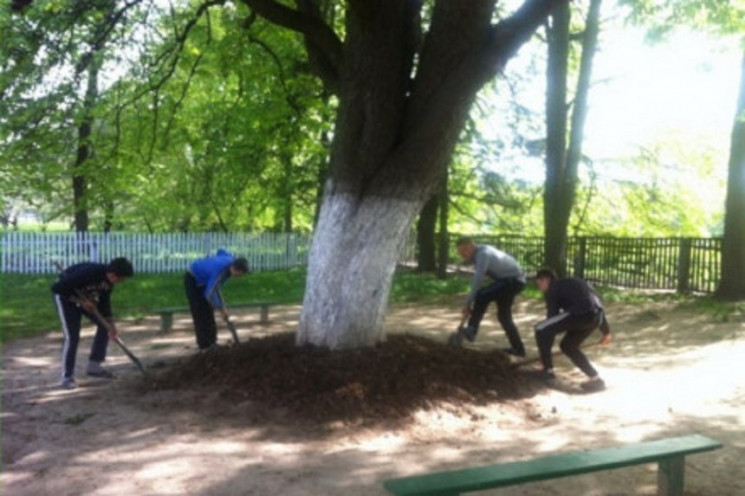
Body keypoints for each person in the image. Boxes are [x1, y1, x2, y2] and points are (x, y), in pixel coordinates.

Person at [52, 257, 135, 389]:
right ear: (113, 275)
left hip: (86, 298)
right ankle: (67, 377)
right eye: (122, 278)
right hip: (65, 298)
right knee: (72, 336)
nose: (122, 281)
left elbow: (104, 304)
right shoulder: (89, 272)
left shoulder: (108, 283)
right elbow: (57, 288)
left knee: (104, 327)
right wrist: (80, 302)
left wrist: (112, 326)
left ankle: (94, 366)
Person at [533, 267, 612, 392]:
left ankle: (548, 372)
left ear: (546, 280)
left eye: (539, 283)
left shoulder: (554, 288)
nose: (539, 287)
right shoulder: (573, 283)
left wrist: (547, 337)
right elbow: (596, 305)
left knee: (540, 329)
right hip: (595, 318)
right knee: (567, 346)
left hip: (580, 313)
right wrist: (606, 332)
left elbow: (551, 317)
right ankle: (596, 379)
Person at [449, 237, 527, 356]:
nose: (462, 255)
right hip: (510, 282)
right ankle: (518, 349)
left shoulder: (483, 254)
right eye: (460, 253)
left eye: (464, 251)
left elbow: (478, 279)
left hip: (513, 281)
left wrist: (468, 303)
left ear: (470, 246)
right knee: (504, 316)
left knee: (482, 295)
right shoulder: (480, 252)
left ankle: (472, 330)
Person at [185, 248, 249, 351]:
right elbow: (210, 294)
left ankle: (212, 343)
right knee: (200, 313)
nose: (239, 276)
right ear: (234, 269)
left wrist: (221, 307)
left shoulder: (231, 260)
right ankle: (204, 346)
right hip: (193, 279)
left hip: (206, 279)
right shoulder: (220, 272)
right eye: (240, 274)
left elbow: (221, 251)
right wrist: (222, 310)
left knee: (209, 312)